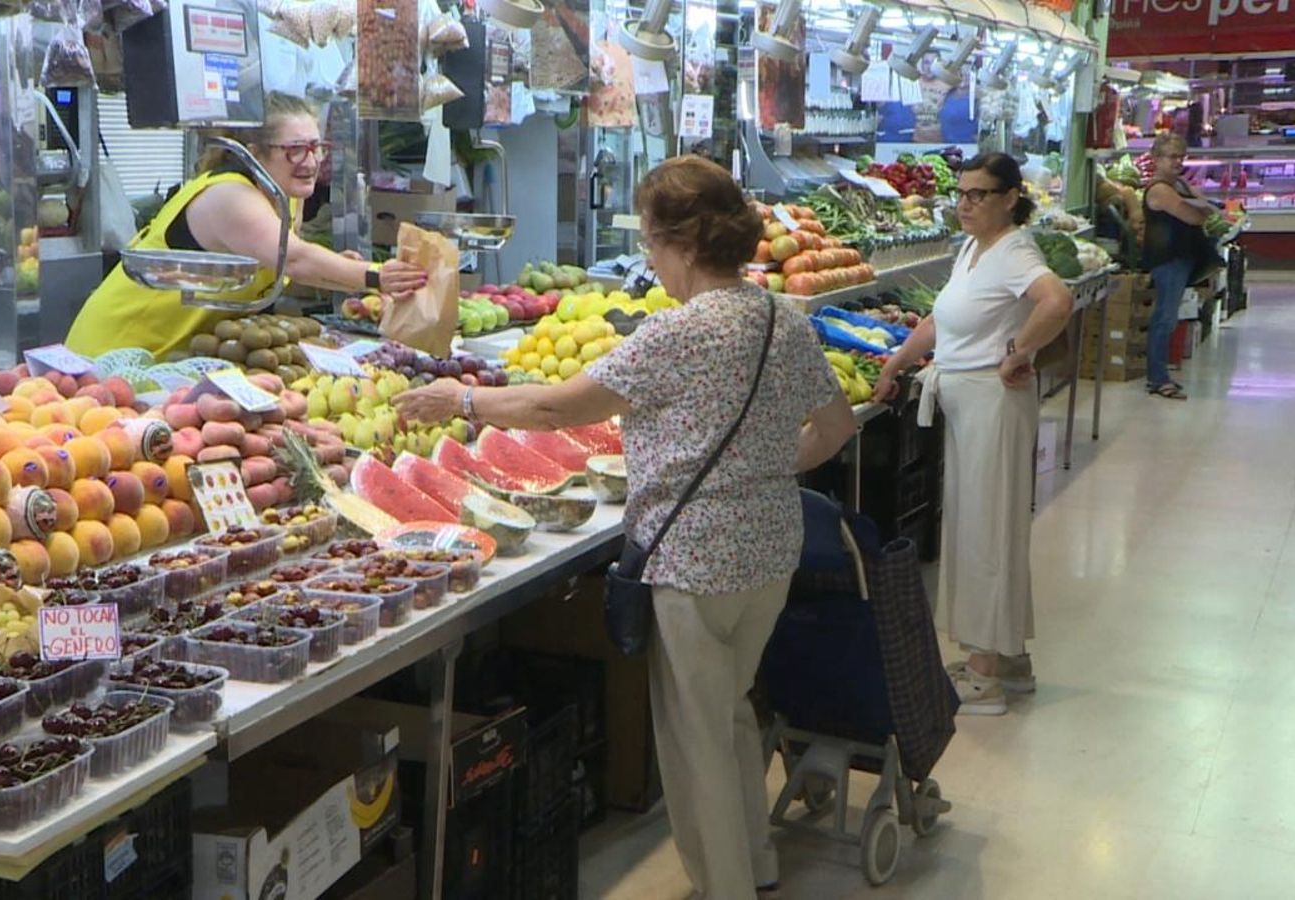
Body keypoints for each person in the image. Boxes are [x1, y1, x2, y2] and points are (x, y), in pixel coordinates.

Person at [395, 156, 857, 900]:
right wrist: (761, 471)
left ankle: (725, 886)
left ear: (685, 242)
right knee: (731, 710)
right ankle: (759, 862)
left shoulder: (676, 334)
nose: (648, 255)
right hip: (771, 550)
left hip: (694, 565)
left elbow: (559, 408)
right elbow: (834, 428)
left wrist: (463, 403)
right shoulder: (783, 318)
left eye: (650, 240)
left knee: (693, 739)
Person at [874, 153, 1073, 715]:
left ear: (1010, 198)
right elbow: (941, 320)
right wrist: (895, 363)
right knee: (978, 524)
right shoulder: (973, 248)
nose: (965, 204)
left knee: (987, 527)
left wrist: (1020, 350)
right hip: (967, 401)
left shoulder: (1014, 251)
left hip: (993, 402)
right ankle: (1006, 655)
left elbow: (1057, 301)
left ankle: (984, 674)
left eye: (978, 195)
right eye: (961, 194)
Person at [66, 93, 425, 357]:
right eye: (296, 149)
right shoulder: (229, 195)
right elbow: (295, 259)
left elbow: (283, 262)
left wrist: (348, 270)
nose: (312, 161)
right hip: (113, 349)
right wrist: (377, 276)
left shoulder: (285, 195)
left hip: (168, 355)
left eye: (317, 147)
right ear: (255, 151)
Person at [1140, 133, 1216, 400]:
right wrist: (1202, 211)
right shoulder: (1160, 189)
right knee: (1165, 318)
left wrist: (1204, 209)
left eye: (1181, 157)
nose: (1178, 162)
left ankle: (1159, 375)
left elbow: (1205, 206)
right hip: (1167, 260)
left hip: (1181, 258)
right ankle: (1158, 378)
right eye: (1172, 157)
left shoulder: (1179, 184)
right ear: (1156, 159)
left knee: (1169, 317)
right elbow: (1194, 215)